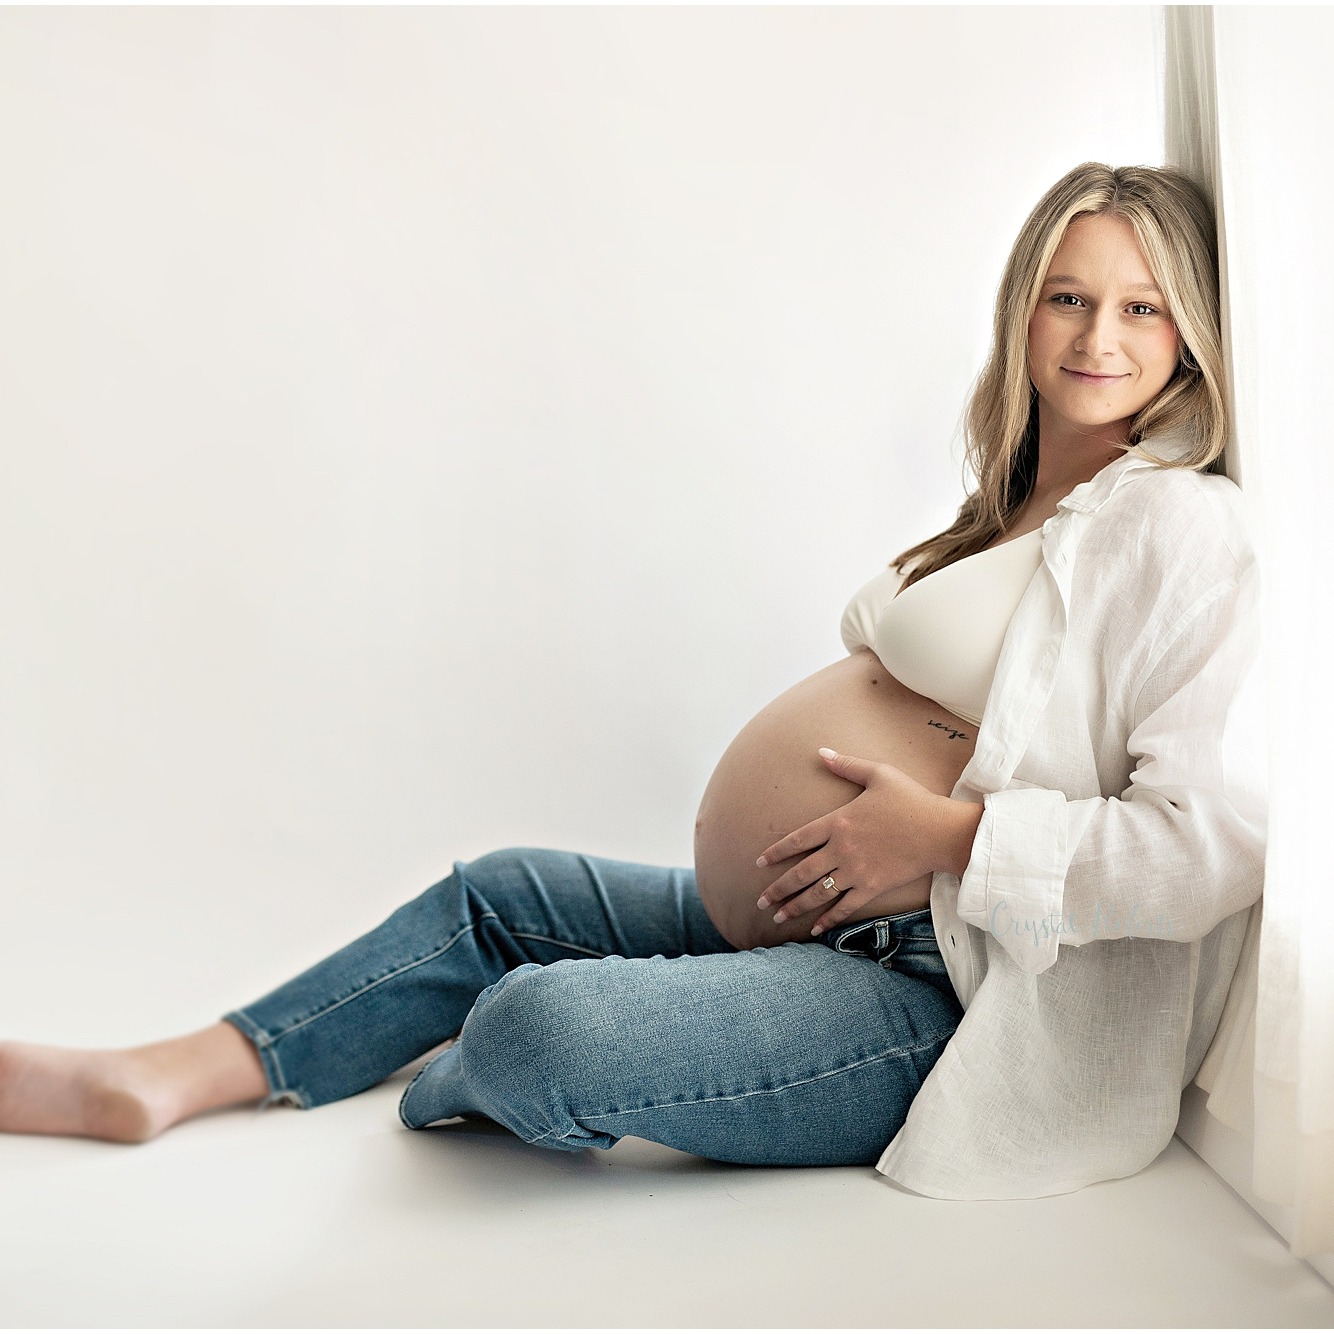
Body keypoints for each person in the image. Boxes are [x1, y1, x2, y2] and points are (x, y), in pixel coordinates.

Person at [0, 162, 1265, 1199]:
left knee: (540, 1029)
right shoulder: (1009, 507)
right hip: (818, 911)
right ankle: (168, 1072)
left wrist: (946, 834)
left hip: (935, 990)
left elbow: (1207, 846)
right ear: (1020, 312)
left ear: (1188, 336)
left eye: (1142, 307)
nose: (1098, 335)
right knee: (496, 895)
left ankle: (500, 1062)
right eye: (1066, 296)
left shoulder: (1181, 530)